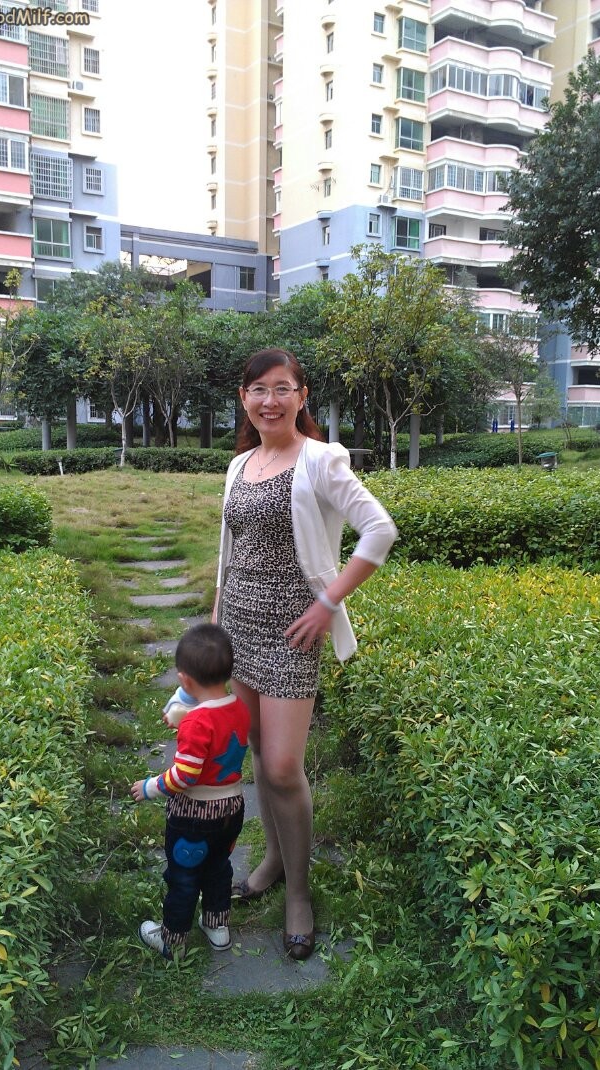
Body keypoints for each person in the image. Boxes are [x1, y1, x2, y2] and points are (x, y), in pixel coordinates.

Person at [213, 348, 398, 961]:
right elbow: (231, 551)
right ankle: (271, 859)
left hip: (292, 633)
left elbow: (380, 530)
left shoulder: (320, 459)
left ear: (302, 396)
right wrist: (216, 622)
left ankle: (299, 892)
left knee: (284, 765)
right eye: (258, 389)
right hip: (239, 625)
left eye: (282, 388)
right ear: (244, 398)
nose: (270, 401)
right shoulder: (240, 464)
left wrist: (328, 603)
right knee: (257, 753)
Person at [130, 623, 250, 960]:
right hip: (233, 807)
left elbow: (184, 776)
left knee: (183, 877)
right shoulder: (239, 707)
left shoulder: (196, 723)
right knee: (218, 867)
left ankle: (173, 941)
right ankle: (217, 926)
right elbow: (216, 733)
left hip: (195, 816)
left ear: (184, 680)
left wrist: (150, 787)